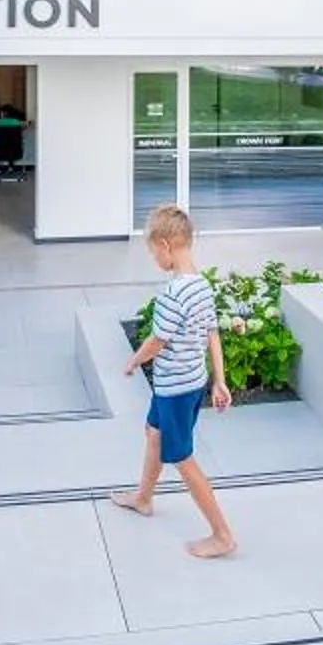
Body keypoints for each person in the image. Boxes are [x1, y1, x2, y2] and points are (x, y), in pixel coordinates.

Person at [114, 205, 237, 559]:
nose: (154, 258)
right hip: (188, 383)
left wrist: (134, 361)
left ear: (166, 245)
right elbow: (212, 331)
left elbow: (157, 341)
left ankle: (222, 534)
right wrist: (219, 380)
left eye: (153, 251)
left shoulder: (174, 293)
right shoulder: (201, 286)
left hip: (175, 390)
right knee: (154, 433)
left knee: (183, 459)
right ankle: (143, 498)